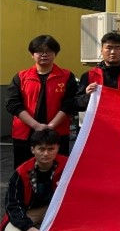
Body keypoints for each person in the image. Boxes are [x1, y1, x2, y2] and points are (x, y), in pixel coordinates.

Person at [6, 35, 78, 167]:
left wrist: (51, 126)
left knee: (58, 170)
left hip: (57, 133)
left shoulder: (66, 76)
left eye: (49, 51)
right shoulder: (21, 77)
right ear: (32, 54)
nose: (44, 54)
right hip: (25, 134)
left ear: (55, 54)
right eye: (39, 51)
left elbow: (70, 103)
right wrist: (36, 125)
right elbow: (12, 104)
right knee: (24, 169)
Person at [2, 129, 72, 231]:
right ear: (33, 149)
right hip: (32, 211)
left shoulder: (69, 165)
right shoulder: (21, 173)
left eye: (51, 149)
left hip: (58, 209)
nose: (46, 153)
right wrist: (27, 227)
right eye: (41, 149)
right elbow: (13, 205)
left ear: (58, 148)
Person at [76, 32, 120, 110]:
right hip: (99, 117)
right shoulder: (89, 76)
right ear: (101, 50)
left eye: (117, 48)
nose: (113, 52)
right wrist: (88, 96)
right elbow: (77, 105)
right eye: (109, 48)